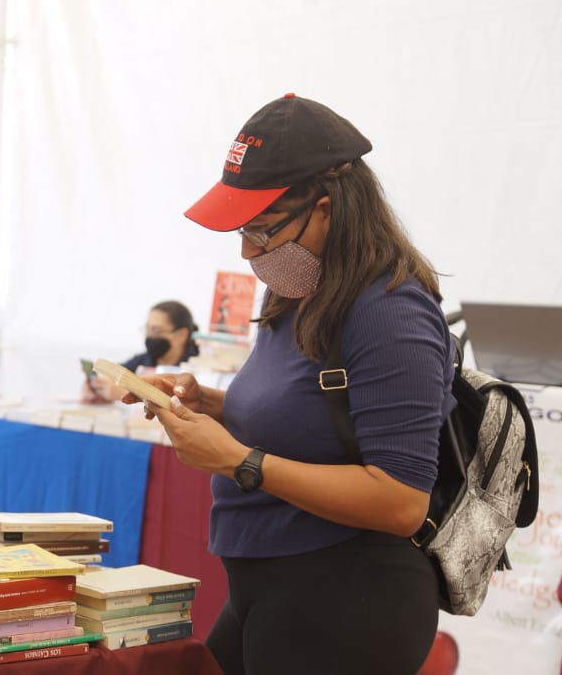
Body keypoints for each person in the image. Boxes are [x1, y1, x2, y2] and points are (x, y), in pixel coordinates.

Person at [134, 94, 455, 674]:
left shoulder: (389, 310)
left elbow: (402, 500)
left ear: (328, 210)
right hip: (273, 582)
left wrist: (239, 461)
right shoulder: (298, 286)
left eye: (261, 230)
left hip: (348, 594)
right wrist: (211, 404)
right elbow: (309, 423)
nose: (247, 250)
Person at [83, 300, 200, 403]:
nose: (150, 336)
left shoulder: (199, 368)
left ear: (181, 335)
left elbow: (182, 404)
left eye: (156, 330)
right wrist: (97, 386)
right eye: (147, 329)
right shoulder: (143, 360)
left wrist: (123, 393)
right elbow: (115, 374)